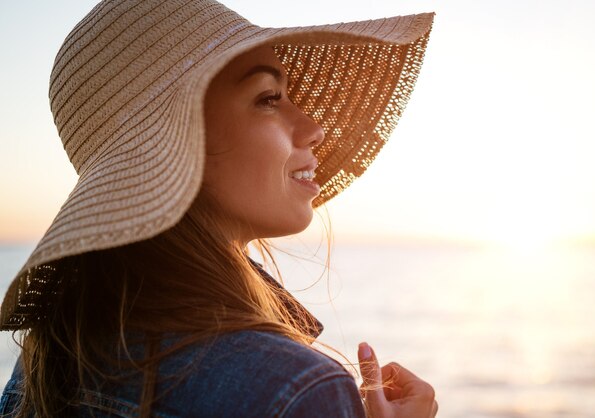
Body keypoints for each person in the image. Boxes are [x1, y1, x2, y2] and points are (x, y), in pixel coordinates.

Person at [0, 1, 437, 416]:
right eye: (269, 98)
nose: (314, 128)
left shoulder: (42, 367)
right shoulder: (295, 389)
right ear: (177, 143)